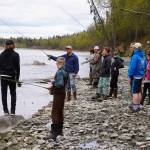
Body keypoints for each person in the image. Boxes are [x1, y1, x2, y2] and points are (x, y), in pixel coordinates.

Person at [50, 57, 68, 141]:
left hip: (58, 93)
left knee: (55, 112)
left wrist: (53, 82)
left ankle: (54, 133)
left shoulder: (60, 72)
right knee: (60, 111)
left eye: (57, 63)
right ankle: (60, 131)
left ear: (59, 64)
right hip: (62, 93)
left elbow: (60, 84)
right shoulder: (65, 71)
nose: (56, 65)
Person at [0, 40, 20, 116]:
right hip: (12, 77)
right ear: (13, 45)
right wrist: (17, 79)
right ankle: (12, 112)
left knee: (4, 94)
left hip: (3, 77)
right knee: (13, 94)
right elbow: (18, 68)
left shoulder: (1, 54)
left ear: (5, 45)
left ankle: (5, 111)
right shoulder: (16, 55)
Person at [128, 43, 147, 112]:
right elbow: (145, 66)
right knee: (139, 91)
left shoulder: (135, 56)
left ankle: (135, 105)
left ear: (135, 48)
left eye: (134, 48)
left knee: (135, 91)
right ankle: (138, 104)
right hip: (141, 75)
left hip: (135, 76)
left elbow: (132, 67)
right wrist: (143, 74)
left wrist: (130, 75)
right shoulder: (143, 56)